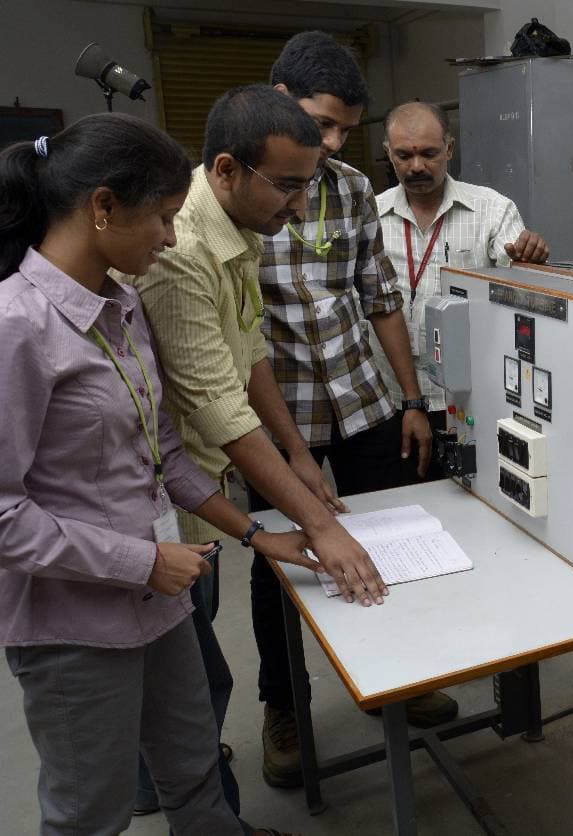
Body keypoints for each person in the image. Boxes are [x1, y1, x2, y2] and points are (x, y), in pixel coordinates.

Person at [0, 113, 314, 836]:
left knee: (193, 764)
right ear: (103, 207)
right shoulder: (19, 326)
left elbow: (164, 453)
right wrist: (143, 561)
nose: (172, 239)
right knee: (90, 812)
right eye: (164, 218)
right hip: (75, 624)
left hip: (160, 598)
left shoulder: (123, 306)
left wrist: (256, 534)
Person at [132, 84, 389, 791]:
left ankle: (178, 776)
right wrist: (320, 527)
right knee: (181, 662)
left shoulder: (240, 225)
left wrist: (298, 453)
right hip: (169, 492)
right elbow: (217, 408)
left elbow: (248, 354)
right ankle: (167, 786)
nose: (300, 207)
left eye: (306, 187)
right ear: (226, 170)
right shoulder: (182, 250)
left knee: (194, 650)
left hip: (201, 481)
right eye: (287, 187)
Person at [253, 32, 457, 776]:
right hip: (280, 417)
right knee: (279, 562)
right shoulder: (237, 191)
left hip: (363, 398)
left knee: (393, 535)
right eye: (323, 123)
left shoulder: (350, 189)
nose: (335, 142)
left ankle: (400, 680)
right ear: (280, 100)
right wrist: (289, 450)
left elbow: (381, 300)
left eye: (345, 129)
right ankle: (284, 706)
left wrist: (411, 399)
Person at [374, 100, 550, 418]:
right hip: (391, 398)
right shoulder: (371, 216)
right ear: (389, 153)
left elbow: (521, 281)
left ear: (450, 149)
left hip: (469, 397)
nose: (416, 166)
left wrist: (529, 259)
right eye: (404, 156)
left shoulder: (492, 210)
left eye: (429, 153)